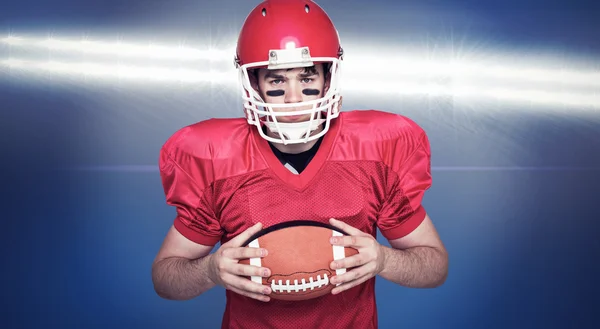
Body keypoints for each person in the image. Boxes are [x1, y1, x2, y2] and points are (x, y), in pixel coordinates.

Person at [151, 0, 448, 328]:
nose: (294, 98)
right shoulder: (215, 160)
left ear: (327, 77)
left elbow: (434, 267)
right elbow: (165, 279)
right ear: (254, 84)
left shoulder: (375, 154)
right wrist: (209, 270)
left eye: (306, 78)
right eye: (277, 81)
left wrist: (384, 260)